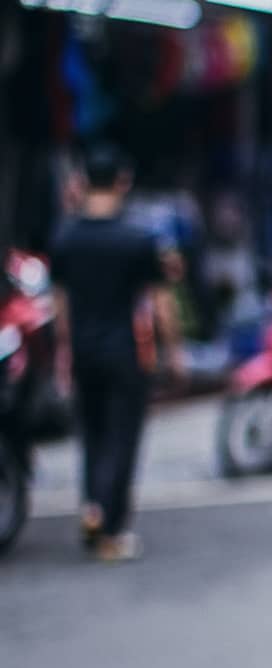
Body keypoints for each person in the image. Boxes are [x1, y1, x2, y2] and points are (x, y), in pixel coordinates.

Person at [50, 145, 185, 561]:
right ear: (122, 181)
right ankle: (110, 527)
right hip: (127, 351)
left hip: (85, 351)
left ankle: (93, 506)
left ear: (83, 181)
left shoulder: (66, 237)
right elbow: (160, 302)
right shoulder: (138, 239)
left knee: (92, 435)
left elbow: (61, 306)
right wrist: (174, 352)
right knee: (121, 438)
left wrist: (65, 351)